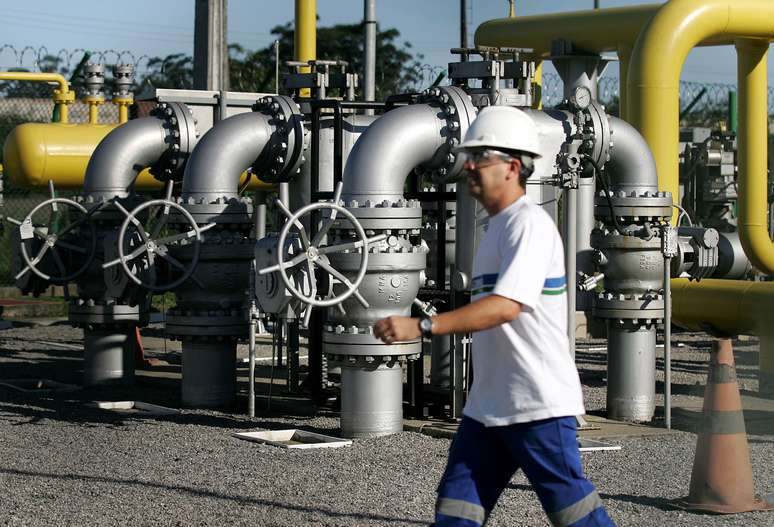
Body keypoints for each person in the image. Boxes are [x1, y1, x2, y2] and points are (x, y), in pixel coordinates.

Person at [373, 106, 615, 527]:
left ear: (512, 166)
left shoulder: (530, 225)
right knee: (456, 508)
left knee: (573, 512)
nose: (469, 166)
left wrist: (426, 325)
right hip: (490, 404)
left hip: (536, 402)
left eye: (481, 157)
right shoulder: (495, 231)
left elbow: (507, 306)